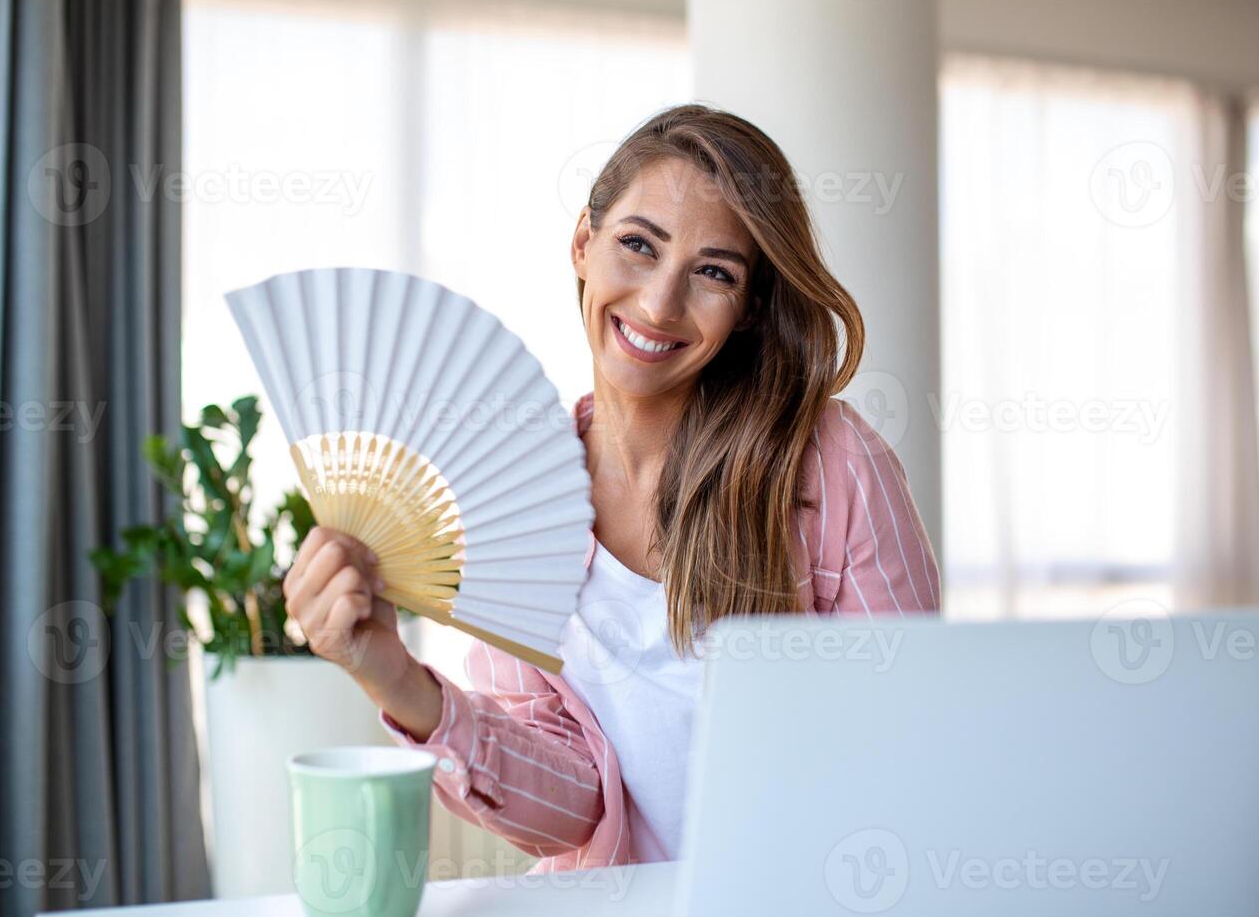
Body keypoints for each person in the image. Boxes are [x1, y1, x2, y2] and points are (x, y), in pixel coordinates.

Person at [282, 103, 940, 871]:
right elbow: (573, 809)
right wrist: (389, 673)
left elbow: (912, 736)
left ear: (750, 308)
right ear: (583, 245)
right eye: (637, 245)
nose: (660, 304)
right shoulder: (511, 506)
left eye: (714, 273)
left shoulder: (831, 462)